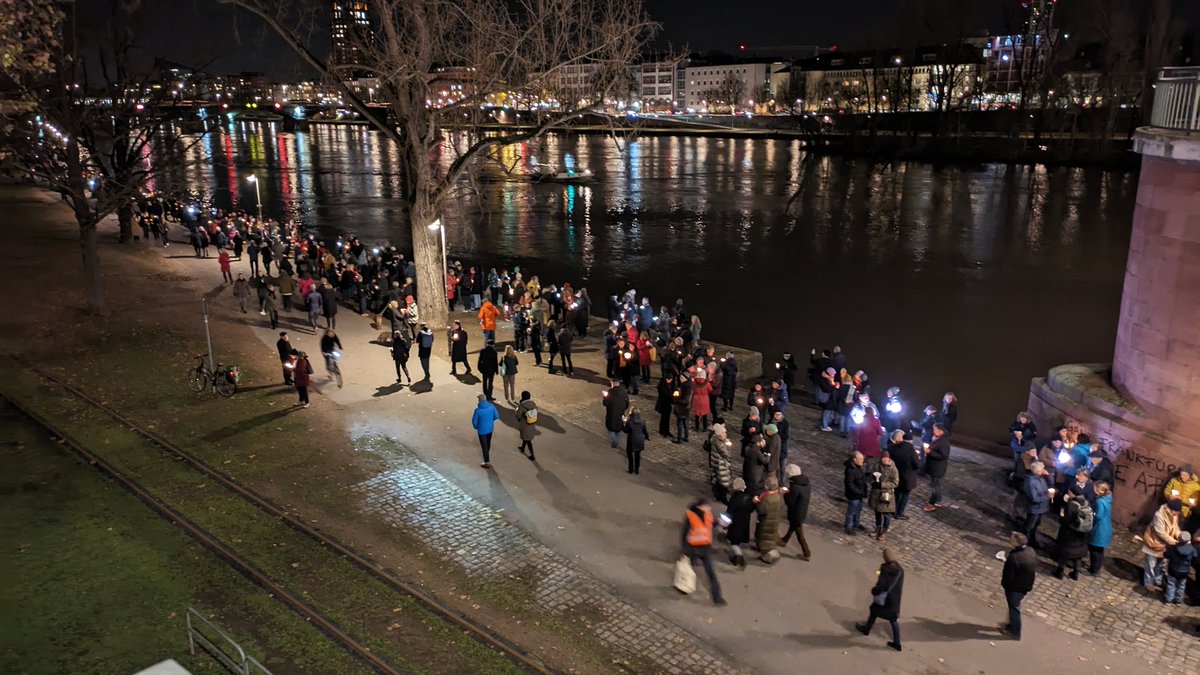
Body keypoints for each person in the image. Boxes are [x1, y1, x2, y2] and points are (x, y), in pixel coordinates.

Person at [680, 498, 726, 606]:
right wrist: (684, 550)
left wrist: (718, 522)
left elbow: (708, 527)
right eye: (707, 506)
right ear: (700, 506)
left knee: (711, 573)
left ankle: (717, 597)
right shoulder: (691, 517)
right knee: (689, 570)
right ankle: (684, 586)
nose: (709, 508)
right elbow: (685, 534)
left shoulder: (707, 515)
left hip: (704, 549)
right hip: (694, 549)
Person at [856, 548, 904, 652]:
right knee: (893, 619)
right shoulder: (900, 570)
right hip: (893, 600)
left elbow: (881, 586)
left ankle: (866, 629)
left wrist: (874, 591)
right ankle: (897, 642)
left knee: (874, 611)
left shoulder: (885, 569)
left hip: (884, 599)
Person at [1000, 532, 1037, 641]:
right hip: (1025, 585)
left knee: (1014, 609)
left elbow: (1008, 576)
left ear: (1016, 542)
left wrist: (1005, 585)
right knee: (1014, 608)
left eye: (1012, 539)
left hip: (1015, 588)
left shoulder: (1014, 558)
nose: (1010, 540)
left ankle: (1015, 632)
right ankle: (1011, 625)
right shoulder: (1030, 551)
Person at [1142, 500, 1183, 592]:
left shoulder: (1174, 515)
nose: (1176, 514)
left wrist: (1180, 535)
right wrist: (1174, 542)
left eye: (1177, 512)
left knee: (1162, 564)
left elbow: (1175, 528)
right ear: (1169, 509)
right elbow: (1160, 532)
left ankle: (1157, 580)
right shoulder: (1159, 515)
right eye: (1175, 511)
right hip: (1154, 542)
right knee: (1151, 564)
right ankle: (1148, 582)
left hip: (1165, 545)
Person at [1052, 494, 1092, 580]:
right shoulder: (1087, 505)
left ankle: (1060, 572)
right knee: (1078, 556)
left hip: (1070, 534)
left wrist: (1062, 514)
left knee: (1065, 553)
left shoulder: (1071, 505)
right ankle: (1075, 573)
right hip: (1082, 535)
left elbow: (1065, 521)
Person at [779, 464, 812, 560]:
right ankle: (784, 540)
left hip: (796, 513)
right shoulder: (806, 482)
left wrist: (786, 493)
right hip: (802, 510)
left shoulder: (795, 486)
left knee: (800, 535)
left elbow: (789, 501)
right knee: (793, 527)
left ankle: (807, 553)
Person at [887, 431, 920, 520]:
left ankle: (892, 510)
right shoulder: (911, 450)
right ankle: (899, 513)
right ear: (911, 440)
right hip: (907, 477)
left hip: (896, 475)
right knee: (905, 496)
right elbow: (917, 465)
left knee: (896, 494)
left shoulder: (893, 447)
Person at [753, 476, 786, 564]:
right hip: (774, 520)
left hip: (765, 521)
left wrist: (756, 502)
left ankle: (766, 555)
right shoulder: (777, 496)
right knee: (770, 537)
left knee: (764, 537)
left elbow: (761, 510)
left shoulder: (767, 499)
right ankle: (764, 550)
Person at [868, 452, 900, 540]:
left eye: (887, 459)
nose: (885, 460)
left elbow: (895, 483)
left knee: (886, 514)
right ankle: (878, 528)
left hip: (886, 495)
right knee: (877, 511)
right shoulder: (877, 466)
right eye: (883, 459)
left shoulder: (893, 469)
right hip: (876, 493)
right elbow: (871, 476)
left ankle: (884, 531)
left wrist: (882, 485)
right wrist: (873, 483)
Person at [725, 478, 754, 569]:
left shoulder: (734, 498)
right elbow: (751, 509)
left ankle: (738, 555)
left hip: (735, 524)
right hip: (744, 523)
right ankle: (738, 552)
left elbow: (729, 512)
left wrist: (725, 523)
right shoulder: (748, 497)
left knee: (734, 542)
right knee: (739, 539)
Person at [1023, 461, 1052, 549]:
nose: (1044, 470)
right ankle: (1025, 543)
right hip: (1034, 508)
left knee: (1036, 525)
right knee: (1030, 526)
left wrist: (1049, 476)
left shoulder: (1041, 478)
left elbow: (1050, 485)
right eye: (1042, 469)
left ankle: (1032, 541)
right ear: (1038, 471)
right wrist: (1047, 496)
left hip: (1041, 507)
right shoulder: (1031, 482)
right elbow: (1034, 498)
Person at [922, 423, 951, 512]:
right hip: (935, 467)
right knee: (936, 485)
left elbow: (943, 455)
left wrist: (930, 452)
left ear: (940, 430)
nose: (933, 431)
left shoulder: (943, 442)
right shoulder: (940, 439)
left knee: (935, 486)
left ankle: (932, 503)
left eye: (935, 429)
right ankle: (938, 501)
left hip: (937, 468)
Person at [705, 423, 734, 503]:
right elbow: (726, 454)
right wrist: (728, 447)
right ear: (720, 434)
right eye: (724, 433)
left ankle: (717, 495)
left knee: (718, 480)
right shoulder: (719, 443)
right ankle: (722, 498)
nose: (725, 434)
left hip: (716, 462)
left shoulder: (715, 439)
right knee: (723, 482)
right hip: (721, 464)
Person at [1164, 531, 1196, 605]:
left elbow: (1166, 555)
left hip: (1173, 570)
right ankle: (1178, 600)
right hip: (1184, 571)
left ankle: (1168, 599)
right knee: (1181, 586)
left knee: (1171, 585)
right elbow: (1195, 557)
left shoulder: (1173, 548)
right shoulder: (1192, 549)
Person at [1089, 481, 1113, 575]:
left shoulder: (1100, 501)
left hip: (1099, 528)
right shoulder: (1108, 499)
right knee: (1099, 549)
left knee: (1094, 549)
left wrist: (1091, 512)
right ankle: (1097, 567)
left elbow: (1098, 515)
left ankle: (1094, 569)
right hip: (1106, 526)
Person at [471, 393, 500, 469]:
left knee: (484, 446)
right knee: (488, 443)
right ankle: (487, 454)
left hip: (481, 430)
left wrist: (477, 427)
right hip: (490, 429)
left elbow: (474, 422)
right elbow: (496, 416)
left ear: (480, 401)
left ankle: (487, 462)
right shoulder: (492, 407)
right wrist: (490, 421)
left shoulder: (477, 411)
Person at [844, 451, 868, 535]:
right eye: (860, 459)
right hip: (854, 495)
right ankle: (848, 527)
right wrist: (859, 492)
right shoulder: (851, 470)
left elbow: (861, 478)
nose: (863, 461)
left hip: (859, 494)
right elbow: (849, 484)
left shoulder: (857, 467)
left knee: (858, 510)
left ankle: (856, 524)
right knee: (851, 511)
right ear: (854, 459)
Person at [603, 379, 629, 448]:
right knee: (618, 428)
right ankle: (616, 440)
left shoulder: (610, 392)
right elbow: (627, 404)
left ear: (613, 384)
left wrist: (605, 396)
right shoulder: (624, 392)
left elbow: (605, 403)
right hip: (621, 413)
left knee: (610, 429)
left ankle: (615, 441)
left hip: (612, 414)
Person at [623, 405, 649, 475]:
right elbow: (645, 431)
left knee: (630, 455)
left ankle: (631, 469)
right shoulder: (642, 421)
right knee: (637, 455)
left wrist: (624, 423)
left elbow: (625, 430)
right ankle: (637, 470)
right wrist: (647, 437)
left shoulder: (630, 422)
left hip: (631, 440)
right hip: (640, 440)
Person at [515, 391, 538, 461]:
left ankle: (532, 455)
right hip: (531, 423)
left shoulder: (522, 405)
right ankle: (522, 447)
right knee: (526, 437)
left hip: (524, 424)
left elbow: (518, 416)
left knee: (528, 440)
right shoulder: (533, 404)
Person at [655, 374, 675, 438]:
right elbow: (666, 395)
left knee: (667, 418)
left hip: (667, 404)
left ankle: (666, 431)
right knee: (664, 418)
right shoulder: (662, 386)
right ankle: (662, 431)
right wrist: (673, 399)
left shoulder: (667, 384)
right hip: (663, 404)